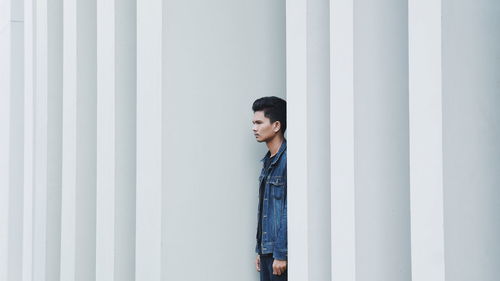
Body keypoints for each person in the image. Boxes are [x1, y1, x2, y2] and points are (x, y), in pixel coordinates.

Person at [251, 96, 288, 281]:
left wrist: (280, 253)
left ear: (276, 125)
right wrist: (261, 249)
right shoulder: (267, 162)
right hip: (268, 252)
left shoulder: (287, 160)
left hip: (279, 255)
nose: (254, 128)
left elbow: (289, 209)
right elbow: (266, 210)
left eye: (259, 122)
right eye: (253, 123)